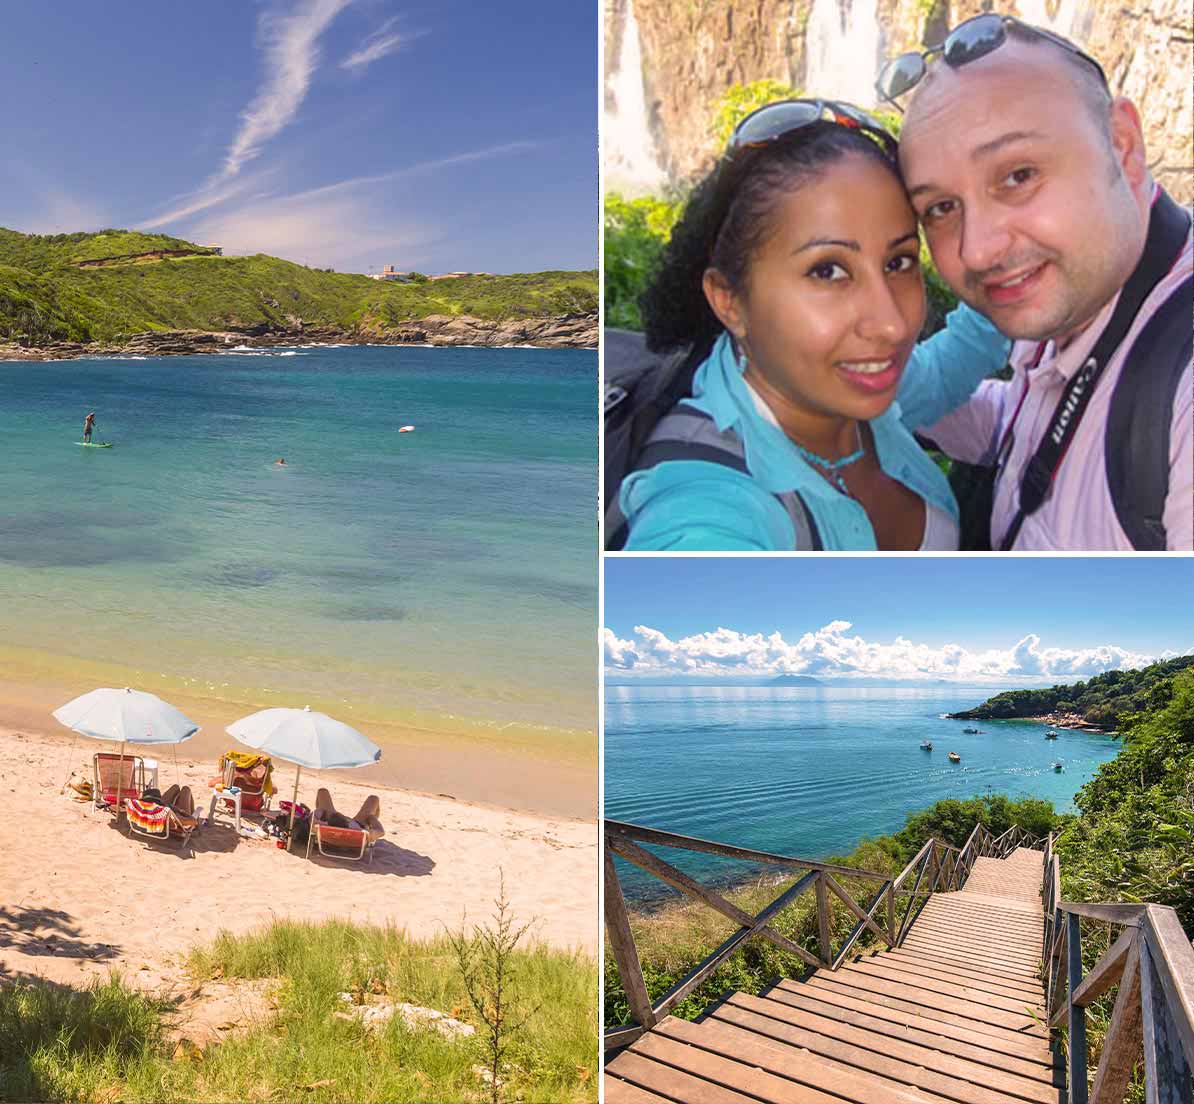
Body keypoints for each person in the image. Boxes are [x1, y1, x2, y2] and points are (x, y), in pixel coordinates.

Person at [616, 99, 1011, 550]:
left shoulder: (857, 389)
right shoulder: (705, 507)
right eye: (828, 271)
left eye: (899, 261)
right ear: (730, 302)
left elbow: (943, 372)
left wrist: (1007, 273)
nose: (892, 326)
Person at [883, 14, 1192, 550]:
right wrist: (877, 393)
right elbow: (1030, 414)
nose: (977, 249)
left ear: (1122, 145)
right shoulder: (1080, 292)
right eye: (940, 208)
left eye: (1018, 176)